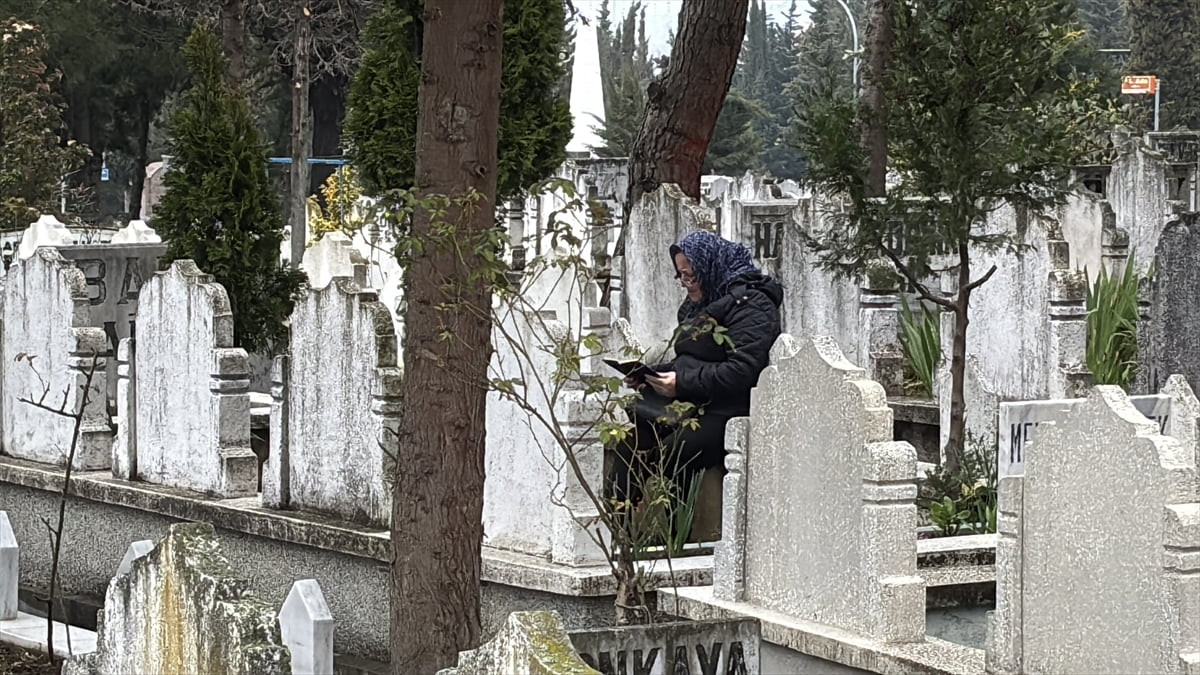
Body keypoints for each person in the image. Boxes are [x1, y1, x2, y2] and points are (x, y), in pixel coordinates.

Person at [608, 229, 784, 511]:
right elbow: (688, 359)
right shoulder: (701, 304)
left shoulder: (753, 305)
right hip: (688, 402)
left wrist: (681, 383)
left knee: (674, 454)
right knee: (628, 446)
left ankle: (674, 540)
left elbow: (743, 371)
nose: (685, 283)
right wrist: (651, 376)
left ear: (709, 267)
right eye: (681, 276)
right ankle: (621, 530)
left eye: (690, 275)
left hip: (728, 411)